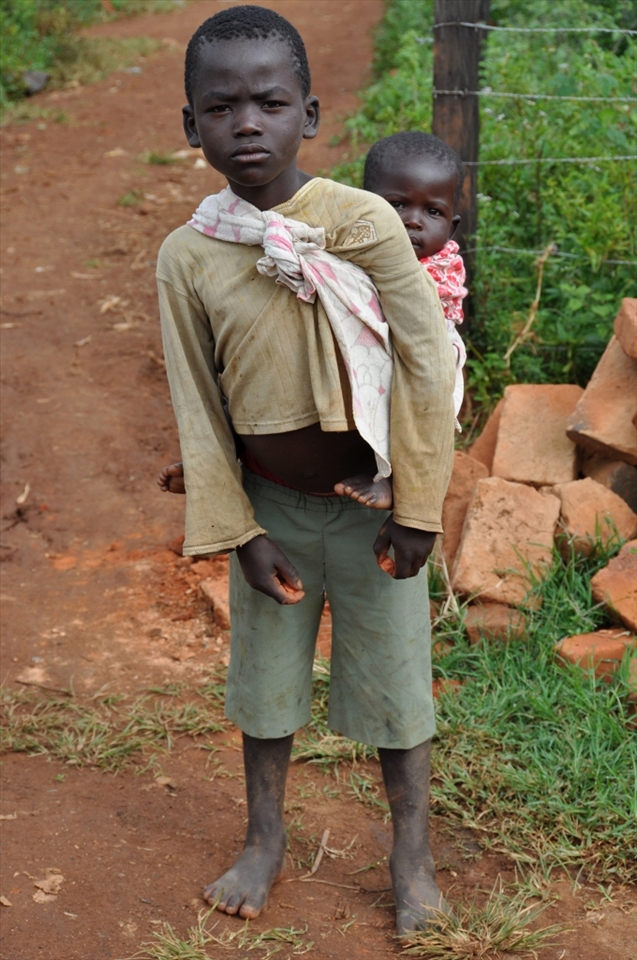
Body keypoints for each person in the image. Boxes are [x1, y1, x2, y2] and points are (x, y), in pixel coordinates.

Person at [156, 4, 455, 938]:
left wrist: (417, 503)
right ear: (190, 125)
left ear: (310, 116)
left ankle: (411, 862)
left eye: (270, 102)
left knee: (399, 692)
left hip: (373, 513)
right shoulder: (189, 255)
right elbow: (198, 410)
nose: (247, 123)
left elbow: (423, 358)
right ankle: (265, 840)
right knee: (265, 690)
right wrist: (236, 531)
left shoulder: (359, 219)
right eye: (222, 106)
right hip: (270, 513)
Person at [158, 133, 467, 506]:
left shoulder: (440, 267)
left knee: (426, 391)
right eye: (397, 205)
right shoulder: (352, 237)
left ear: (451, 227)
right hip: (349, 343)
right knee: (255, 375)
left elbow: (423, 340)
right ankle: (216, 462)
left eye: (432, 212)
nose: (412, 222)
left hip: (412, 353)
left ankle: (391, 479)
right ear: (366, 204)